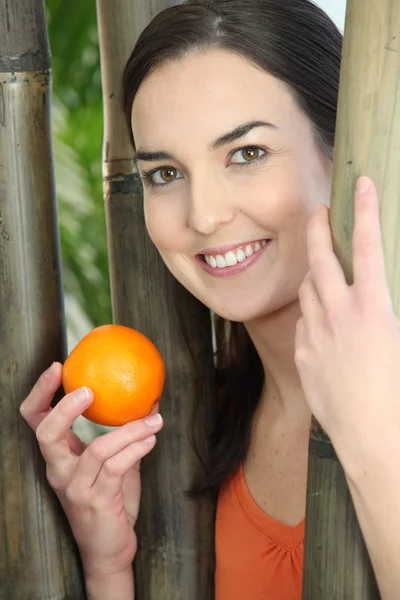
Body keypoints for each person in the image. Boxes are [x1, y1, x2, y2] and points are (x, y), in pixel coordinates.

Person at [19, 1, 400, 599]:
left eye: (247, 154)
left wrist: (376, 437)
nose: (203, 215)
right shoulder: (201, 424)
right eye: (165, 174)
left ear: (343, 147)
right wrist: (110, 567)